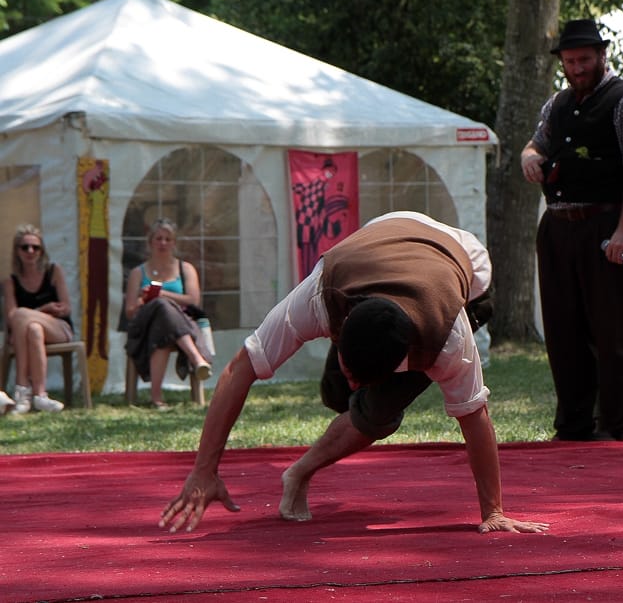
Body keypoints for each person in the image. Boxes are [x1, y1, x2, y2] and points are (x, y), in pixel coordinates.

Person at [158, 211, 548, 536]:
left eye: (364, 376)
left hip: (462, 271)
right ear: (337, 333)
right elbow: (238, 370)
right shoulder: (316, 298)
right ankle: (352, 397)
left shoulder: (447, 338)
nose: (354, 380)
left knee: (377, 412)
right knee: (336, 395)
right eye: (349, 367)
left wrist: (493, 512)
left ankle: (299, 472)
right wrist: (203, 471)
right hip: (374, 252)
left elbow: (474, 416)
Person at [520, 18, 623, 444]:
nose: (576, 68)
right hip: (557, 226)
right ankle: (574, 426)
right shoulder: (556, 105)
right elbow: (537, 143)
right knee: (563, 330)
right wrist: (528, 156)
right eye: (569, 61)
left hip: (604, 223)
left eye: (583, 59)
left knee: (614, 329)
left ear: (601, 56)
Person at [125, 218, 212, 409]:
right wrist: (146, 300)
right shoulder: (138, 273)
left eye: (167, 239)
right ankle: (197, 359)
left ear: (174, 243)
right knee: (161, 307)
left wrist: (162, 293)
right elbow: (130, 312)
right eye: (158, 239)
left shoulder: (185, 269)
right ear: (150, 243)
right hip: (145, 326)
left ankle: (156, 398)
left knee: (163, 329)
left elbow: (193, 300)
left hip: (177, 324)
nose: (163, 243)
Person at [2, 224, 74, 413]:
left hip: (59, 328)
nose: (30, 251)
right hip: (29, 332)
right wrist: (45, 309)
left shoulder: (53, 271)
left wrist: (44, 312)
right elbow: (10, 318)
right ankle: (40, 395)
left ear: (42, 250)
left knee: (21, 316)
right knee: (33, 328)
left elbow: (66, 308)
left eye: (36, 247)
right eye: (24, 247)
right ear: (17, 251)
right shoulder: (10, 282)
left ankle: (22, 389)